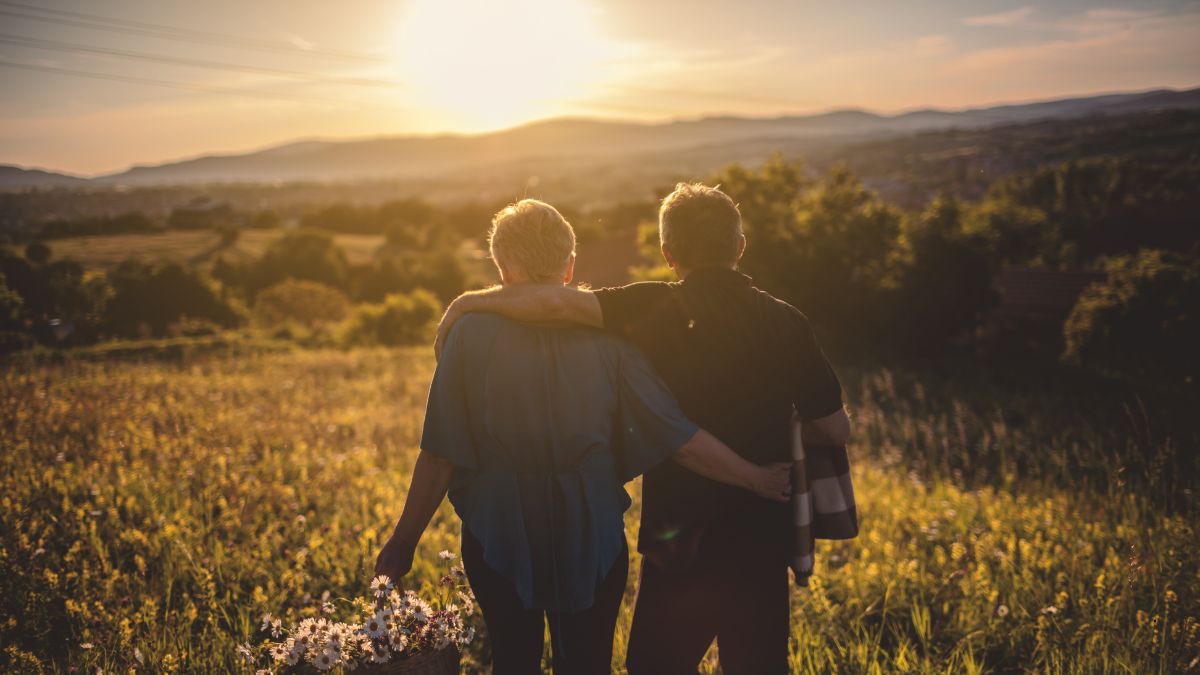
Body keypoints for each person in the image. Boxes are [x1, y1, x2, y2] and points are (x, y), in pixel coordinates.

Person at [433, 184, 851, 674]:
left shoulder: (654, 306)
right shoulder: (787, 321)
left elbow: (551, 304)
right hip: (762, 527)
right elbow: (835, 429)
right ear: (739, 247)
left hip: (679, 534)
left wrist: (465, 303)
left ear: (667, 253)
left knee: (658, 666)